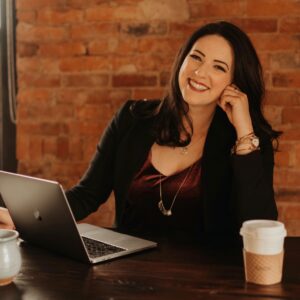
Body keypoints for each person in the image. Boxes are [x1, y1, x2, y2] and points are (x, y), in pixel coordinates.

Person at [0, 21, 280, 240]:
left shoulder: (249, 143)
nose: (200, 72)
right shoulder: (131, 118)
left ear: (234, 82)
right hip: (127, 273)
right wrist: (22, 217)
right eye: (196, 57)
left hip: (206, 282)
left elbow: (258, 225)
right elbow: (86, 196)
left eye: (219, 67)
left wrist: (244, 131)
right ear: (182, 60)